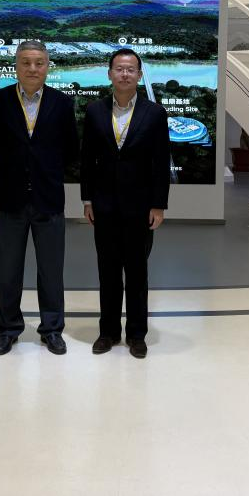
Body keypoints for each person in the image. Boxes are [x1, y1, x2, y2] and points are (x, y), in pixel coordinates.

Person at [0, 40, 79, 355]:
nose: (32, 68)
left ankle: (52, 329)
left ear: (47, 66)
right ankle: (9, 328)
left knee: (51, 272)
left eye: (39, 63)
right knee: (7, 272)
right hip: (10, 198)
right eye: (26, 62)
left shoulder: (62, 103)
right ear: (16, 65)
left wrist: (43, 171)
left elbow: (70, 149)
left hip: (49, 199)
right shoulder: (0, 100)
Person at [80, 48, 170, 359]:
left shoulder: (154, 113)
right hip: (103, 205)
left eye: (131, 69)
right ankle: (107, 332)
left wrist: (158, 205)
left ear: (139, 75)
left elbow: (161, 163)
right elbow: (87, 160)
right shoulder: (95, 111)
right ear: (109, 74)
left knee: (137, 273)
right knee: (107, 272)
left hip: (140, 208)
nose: (125, 74)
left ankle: (136, 334)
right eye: (119, 68)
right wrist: (87, 199)